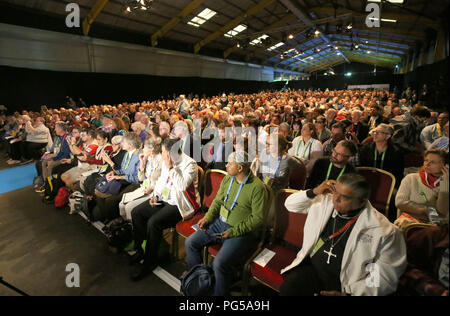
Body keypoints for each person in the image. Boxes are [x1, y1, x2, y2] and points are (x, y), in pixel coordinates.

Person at [280, 173, 407, 296]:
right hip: (312, 268)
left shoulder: (384, 231)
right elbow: (290, 205)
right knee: (289, 289)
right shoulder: (324, 202)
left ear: (362, 202)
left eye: (344, 197)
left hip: (345, 284)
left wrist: (351, 294)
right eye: (335, 191)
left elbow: (384, 276)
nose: (336, 198)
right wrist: (314, 191)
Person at [185, 151, 268, 296]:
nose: (226, 165)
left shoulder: (257, 188)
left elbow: (257, 218)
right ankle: (200, 283)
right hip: (219, 223)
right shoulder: (228, 179)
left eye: (230, 163)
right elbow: (218, 201)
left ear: (240, 168)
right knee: (191, 243)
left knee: (219, 263)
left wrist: (234, 231)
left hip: (240, 232)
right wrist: (208, 217)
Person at [130, 137, 200, 281]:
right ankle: (140, 250)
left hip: (181, 205)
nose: (161, 154)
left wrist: (170, 168)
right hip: (165, 199)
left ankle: (150, 262)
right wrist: (156, 195)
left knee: (153, 223)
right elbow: (162, 181)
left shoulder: (190, 164)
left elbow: (181, 186)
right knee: (136, 212)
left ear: (170, 153)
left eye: (162, 152)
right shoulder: (165, 161)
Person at [395, 149, 449, 229]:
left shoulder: (446, 184)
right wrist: (425, 210)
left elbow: (442, 212)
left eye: (433, 162)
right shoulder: (411, 178)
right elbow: (400, 202)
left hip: (435, 227)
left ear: (445, 166)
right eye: (426, 160)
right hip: (410, 224)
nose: (427, 164)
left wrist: (445, 184)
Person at [119, 137, 163, 221]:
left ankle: (132, 227)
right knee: (121, 204)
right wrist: (142, 164)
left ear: (151, 150)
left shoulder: (161, 161)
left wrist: (152, 188)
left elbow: (162, 181)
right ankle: (126, 225)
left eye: (144, 147)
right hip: (144, 188)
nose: (142, 149)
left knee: (128, 207)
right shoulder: (149, 159)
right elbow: (141, 179)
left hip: (154, 191)